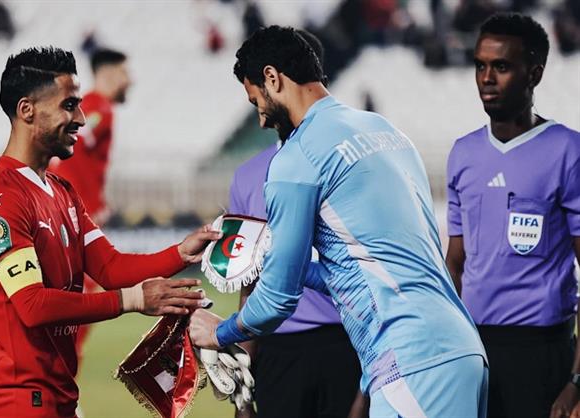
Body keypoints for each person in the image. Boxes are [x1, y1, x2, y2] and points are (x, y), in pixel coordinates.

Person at [190, 25, 487, 417]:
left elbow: (277, 301)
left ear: (272, 78)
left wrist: (219, 332)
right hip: (461, 350)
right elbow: (373, 266)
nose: (260, 119)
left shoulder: (295, 159)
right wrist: (273, 259)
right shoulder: (386, 132)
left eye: (255, 100)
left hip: (411, 363)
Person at [0, 46, 219, 418]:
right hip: (14, 403)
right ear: (26, 110)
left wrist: (181, 252)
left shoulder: (62, 192)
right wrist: (130, 301)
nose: (82, 118)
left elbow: (110, 267)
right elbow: (33, 306)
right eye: (69, 105)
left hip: (58, 399)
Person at [445, 13, 580, 418]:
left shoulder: (567, 151)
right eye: (480, 66)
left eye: (501, 67)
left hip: (542, 353)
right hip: (473, 352)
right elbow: (454, 265)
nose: (487, 78)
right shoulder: (463, 154)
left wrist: (575, 384)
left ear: (534, 74)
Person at [229, 29, 364, 418]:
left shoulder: (351, 160)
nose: (257, 113)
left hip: (347, 341)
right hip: (278, 349)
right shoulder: (247, 177)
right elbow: (247, 281)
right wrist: (242, 391)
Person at [51, 47, 130, 226]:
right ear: (108, 74)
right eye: (124, 73)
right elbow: (73, 148)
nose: (130, 80)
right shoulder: (99, 109)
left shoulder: (88, 105)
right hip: (74, 210)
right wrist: (90, 205)